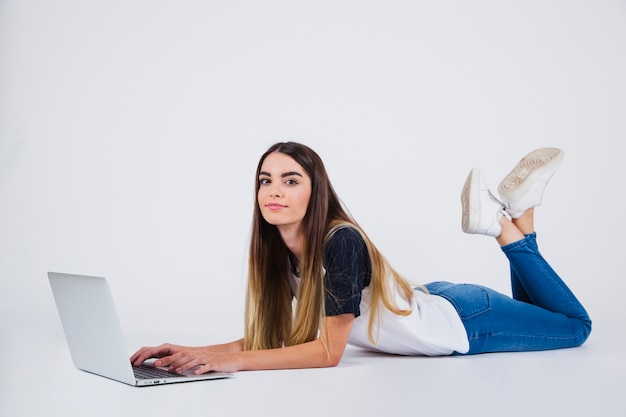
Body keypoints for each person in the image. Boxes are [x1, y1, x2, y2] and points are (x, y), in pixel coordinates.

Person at [130, 142, 591, 374]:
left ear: (316, 190)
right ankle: (521, 212)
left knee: (574, 326)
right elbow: (272, 337)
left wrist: (231, 363)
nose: (273, 190)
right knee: (544, 314)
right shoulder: (281, 251)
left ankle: (499, 225)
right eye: (265, 180)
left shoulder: (340, 241)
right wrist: (189, 351)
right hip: (436, 299)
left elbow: (329, 351)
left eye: (291, 180)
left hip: (464, 322)